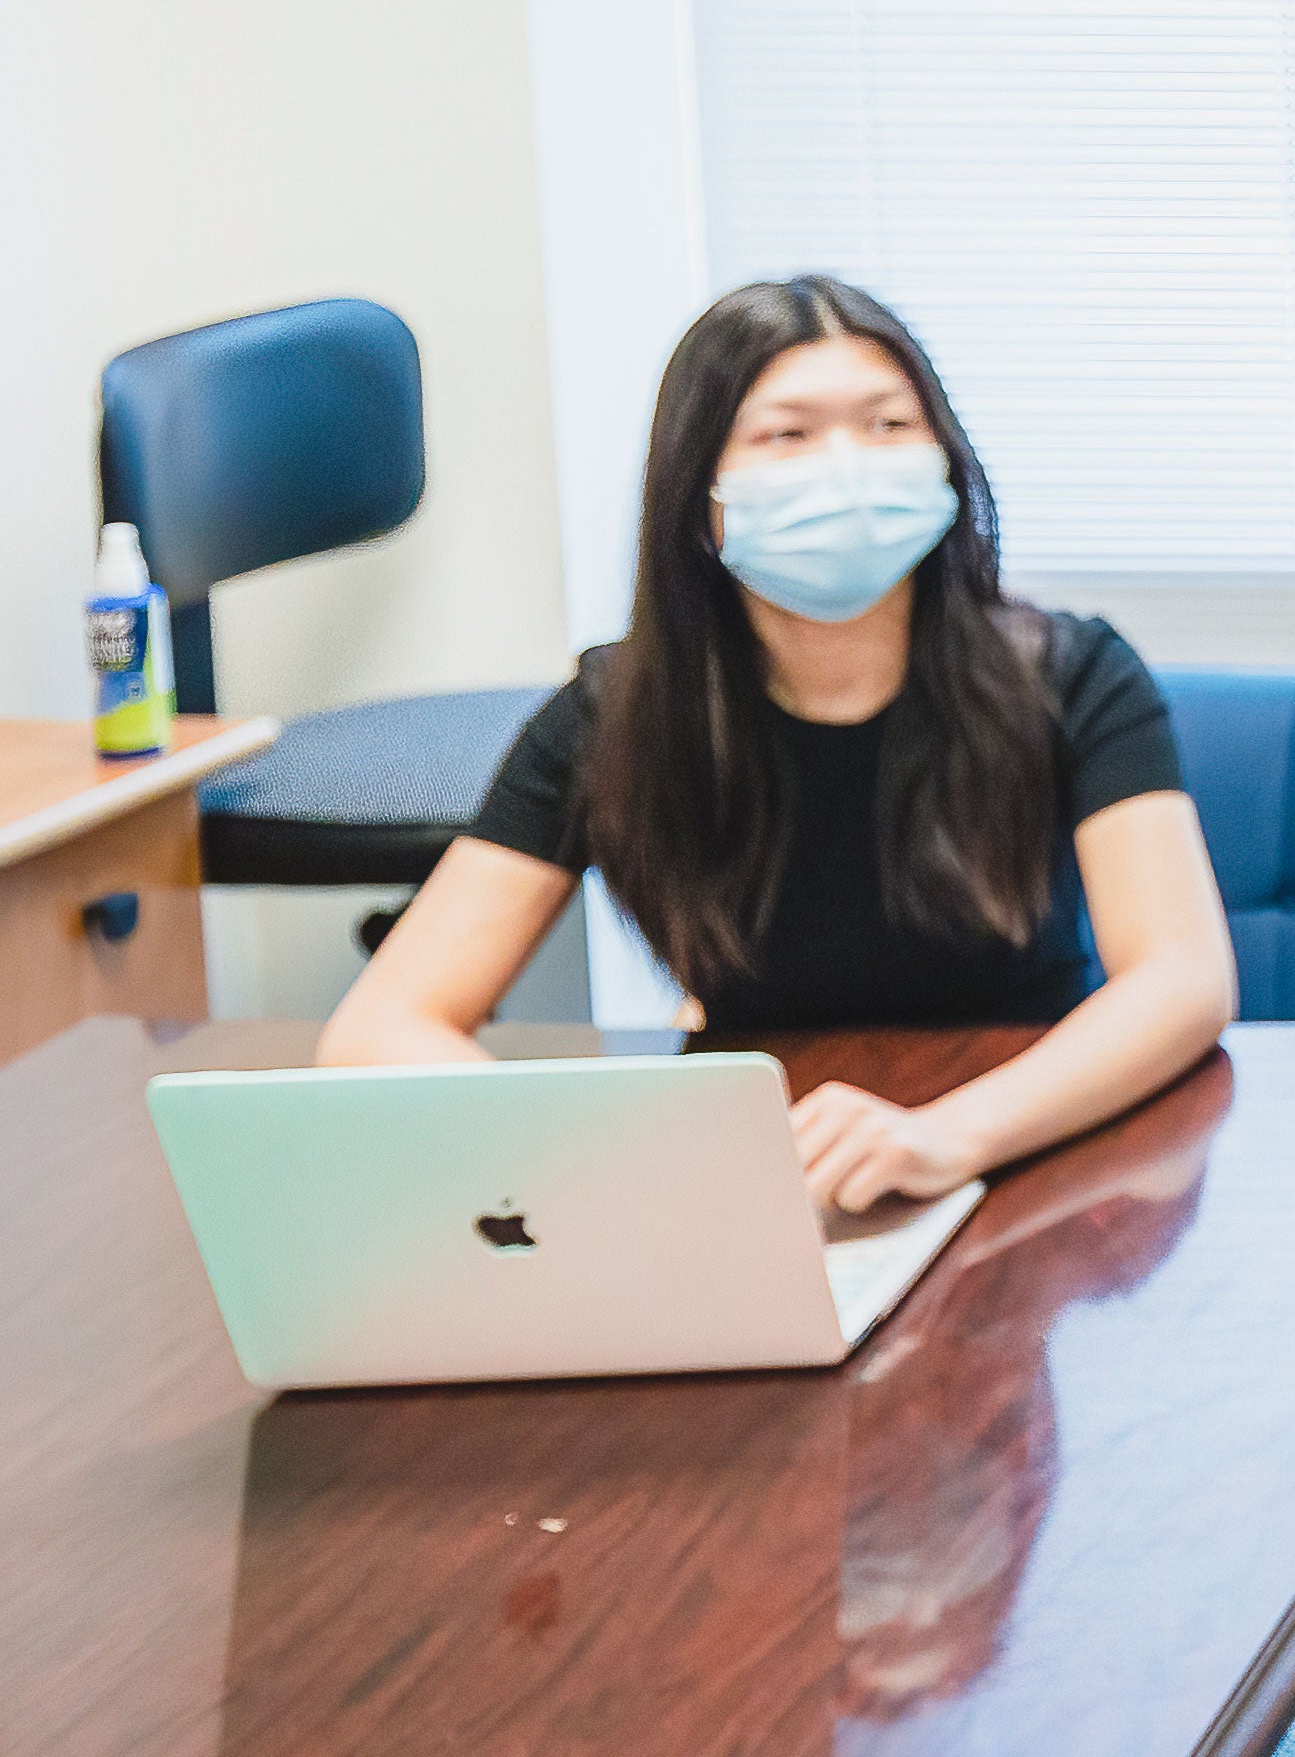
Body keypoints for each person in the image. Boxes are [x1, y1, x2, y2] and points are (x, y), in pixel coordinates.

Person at [324, 276, 1237, 1215]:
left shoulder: (1074, 672)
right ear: (699, 494)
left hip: (1035, 1150)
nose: (847, 467)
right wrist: (602, 1158)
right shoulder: (615, 715)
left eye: (888, 426)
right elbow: (380, 1027)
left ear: (947, 464)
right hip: (767, 1182)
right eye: (787, 435)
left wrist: (950, 1134)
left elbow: (1183, 977)